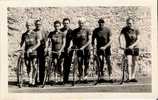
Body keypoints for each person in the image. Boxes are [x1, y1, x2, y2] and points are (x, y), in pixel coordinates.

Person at [20, 20, 41, 86]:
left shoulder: (35, 33)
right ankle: (30, 79)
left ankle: (33, 80)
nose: (28, 26)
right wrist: (21, 49)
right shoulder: (24, 34)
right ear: (26, 26)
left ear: (32, 26)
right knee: (28, 65)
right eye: (27, 25)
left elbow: (38, 43)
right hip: (27, 52)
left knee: (34, 66)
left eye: (30, 25)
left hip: (34, 52)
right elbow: (22, 43)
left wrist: (32, 49)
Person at [119, 17, 140, 82]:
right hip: (128, 48)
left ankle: (133, 77)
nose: (129, 24)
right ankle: (129, 77)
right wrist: (121, 45)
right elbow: (120, 36)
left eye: (130, 23)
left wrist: (133, 45)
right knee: (129, 62)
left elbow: (138, 39)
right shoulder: (124, 29)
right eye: (128, 23)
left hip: (135, 47)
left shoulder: (136, 30)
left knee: (135, 62)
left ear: (133, 23)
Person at [34, 19, 47, 85]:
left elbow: (46, 41)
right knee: (35, 65)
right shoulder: (33, 31)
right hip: (35, 50)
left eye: (39, 24)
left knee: (42, 65)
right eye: (37, 24)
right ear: (35, 25)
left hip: (42, 49)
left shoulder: (44, 32)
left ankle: (41, 80)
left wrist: (46, 48)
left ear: (41, 25)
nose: (38, 25)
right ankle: (35, 80)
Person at [60, 18, 73, 83]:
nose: (66, 24)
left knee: (67, 64)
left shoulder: (71, 31)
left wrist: (69, 47)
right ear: (63, 23)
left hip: (68, 49)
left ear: (69, 23)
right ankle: (60, 77)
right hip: (61, 49)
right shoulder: (60, 30)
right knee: (60, 63)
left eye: (67, 23)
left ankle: (66, 79)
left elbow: (72, 41)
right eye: (64, 23)